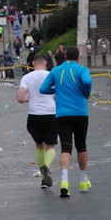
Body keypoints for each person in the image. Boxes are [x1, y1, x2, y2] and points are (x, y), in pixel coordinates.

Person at [39, 46, 92, 198]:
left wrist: (56, 90)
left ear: (65, 56)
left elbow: (43, 89)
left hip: (62, 115)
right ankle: (83, 181)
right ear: (78, 57)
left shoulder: (56, 70)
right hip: (80, 113)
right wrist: (85, 93)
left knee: (65, 148)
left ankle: (64, 182)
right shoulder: (82, 69)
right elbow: (87, 82)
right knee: (81, 146)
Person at [17, 54, 57, 189]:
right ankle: (46, 167)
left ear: (33, 63)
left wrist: (30, 98)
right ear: (46, 63)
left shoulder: (27, 77)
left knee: (39, 145)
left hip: (34, 115)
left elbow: (20, 98)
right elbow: (57, 95)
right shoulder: (52, 75)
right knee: (51, 146)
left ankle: (43, 176)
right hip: (50, 113)